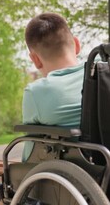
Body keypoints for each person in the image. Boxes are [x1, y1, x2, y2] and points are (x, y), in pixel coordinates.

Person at [22, 12, 85, 161]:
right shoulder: (103, 77)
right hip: (108, 166)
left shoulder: (35, 92)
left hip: (63, 172)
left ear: (35, 59)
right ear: (76, 45)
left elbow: (32, 148)